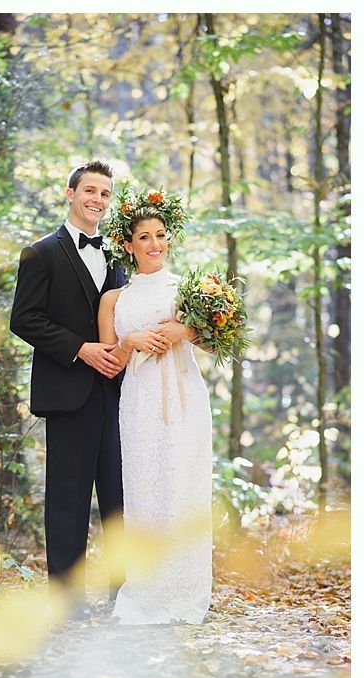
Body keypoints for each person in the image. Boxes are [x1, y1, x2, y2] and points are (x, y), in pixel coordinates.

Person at [9, 161, 127, 617]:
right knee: (68, 499)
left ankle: (124, 594)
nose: (97, 200)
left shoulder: (118, 256)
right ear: (70, 193)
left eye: (105, 193)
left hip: (117, 393)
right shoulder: (40, 254)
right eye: (90, 191)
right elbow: (24, 319)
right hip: (67, 391)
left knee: (119, 496)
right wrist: (80, 348)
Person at [97, 188, 212, 624]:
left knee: (183, 489)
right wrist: (129, 342)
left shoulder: (189, 289)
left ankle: (187, 590)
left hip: (185, 399)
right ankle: (145, 590)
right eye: (144, 236)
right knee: (145, 490)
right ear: (128, 245)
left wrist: (184, 332)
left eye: (161, 235)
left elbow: (210, 341)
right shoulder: (114, 299)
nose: (154, 244)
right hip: (139, 402)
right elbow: (109, 365)